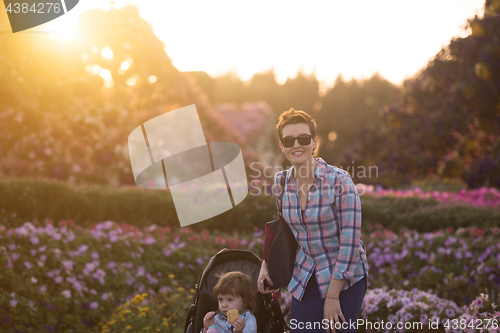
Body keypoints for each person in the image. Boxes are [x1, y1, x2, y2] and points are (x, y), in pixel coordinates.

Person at [258, 108, 369, 333]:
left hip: (345, 278)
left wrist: (332, 296)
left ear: (314, 142)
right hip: (305, 275)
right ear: (282, 146)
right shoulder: (281, 182)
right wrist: (266, 265)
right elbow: (283, 230)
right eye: (289, 140)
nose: (296, 145)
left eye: (304, 138)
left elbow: (350, 243)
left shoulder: (340, 181)